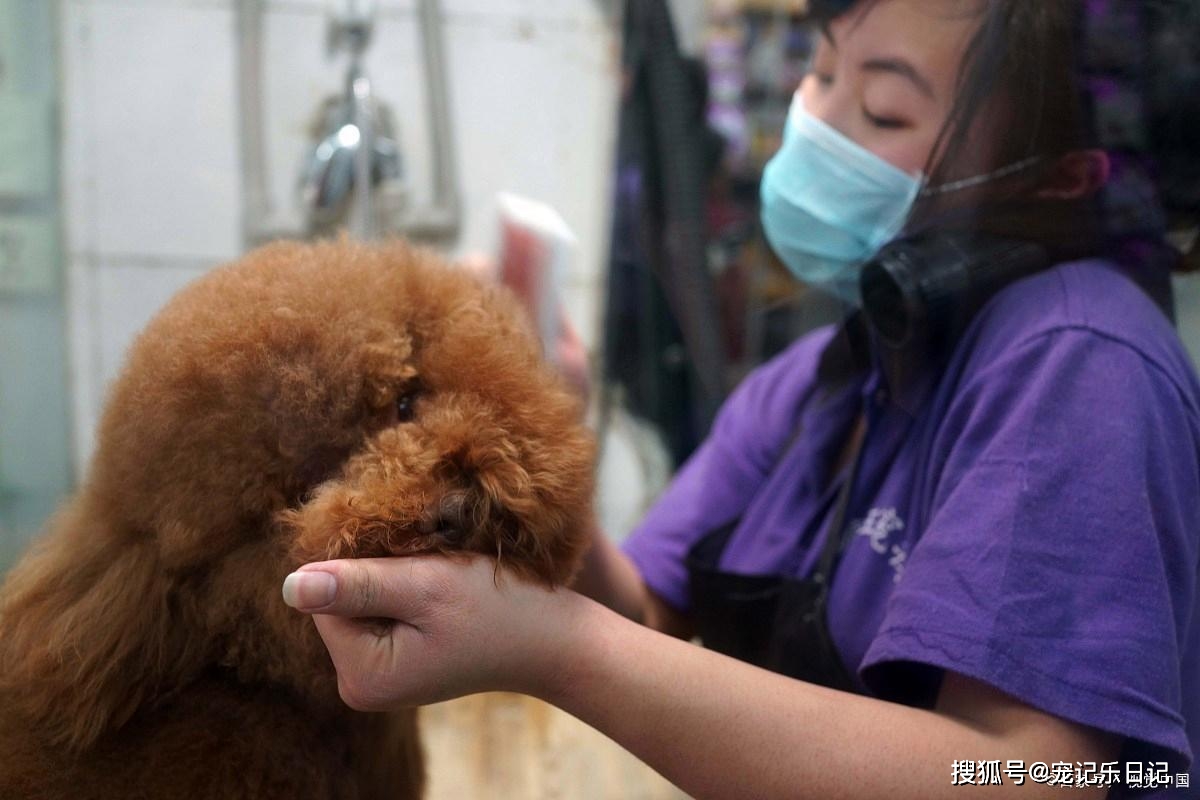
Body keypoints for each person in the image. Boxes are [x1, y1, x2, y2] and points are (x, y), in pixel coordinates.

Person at [282, 1, 1200, 796]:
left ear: (1060, 177)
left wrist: (555, 648)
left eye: (882, 110)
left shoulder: (1079, 357)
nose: (818, 126)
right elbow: (643, 611)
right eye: (822, 70)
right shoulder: (834, 374)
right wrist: (543, 416)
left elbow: (1027, 779)